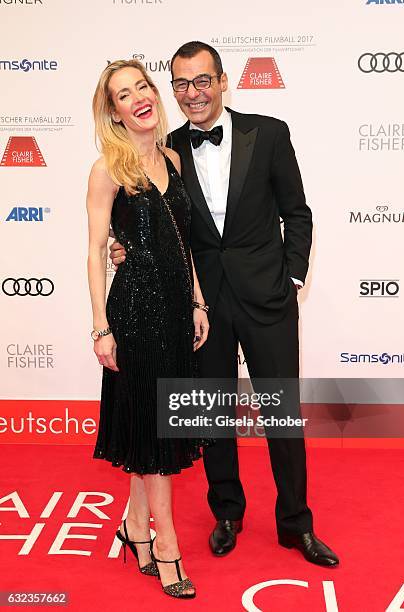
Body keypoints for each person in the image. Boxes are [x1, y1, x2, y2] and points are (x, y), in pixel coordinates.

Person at [110, 42, 339, 567]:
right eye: (182, 84)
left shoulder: (270, 132)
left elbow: (296, 212)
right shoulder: (162, 150)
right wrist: (123, 248)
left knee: (282, 418)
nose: (193, 94)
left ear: (222, 80)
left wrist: (293, 276)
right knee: (212, 417)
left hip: (267, 297)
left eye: (202, 81)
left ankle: (295, 525)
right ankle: (227, 514)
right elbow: (152, 228)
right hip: (200, 307)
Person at [87, 58, 210, 599]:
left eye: (142, 86)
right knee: (157, 437)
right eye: (123, 94)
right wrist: (100, 327)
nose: (138, 97)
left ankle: (135, 529)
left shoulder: (174, 160)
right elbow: (95, 252)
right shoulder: (107, 168)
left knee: (151, 430)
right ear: (112, 111)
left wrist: (199, 303)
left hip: (177, 311)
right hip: (134, 315)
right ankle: (166, 545)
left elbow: (184, 244)